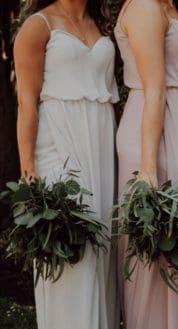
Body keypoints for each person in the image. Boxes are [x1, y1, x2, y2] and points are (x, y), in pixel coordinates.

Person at [14, 0, 118, 328]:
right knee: (72, 249)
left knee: (101, 246)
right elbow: (26, 104)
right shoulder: (38, 25)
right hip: (58, 143)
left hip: (100, 142)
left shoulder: (101, 23)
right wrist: (28, 171)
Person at [114, 0, 178, 327]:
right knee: (161, 250)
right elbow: (154, 89)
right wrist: (147, 169)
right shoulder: (145, 7)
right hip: (159, 128)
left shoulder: (176, 7)